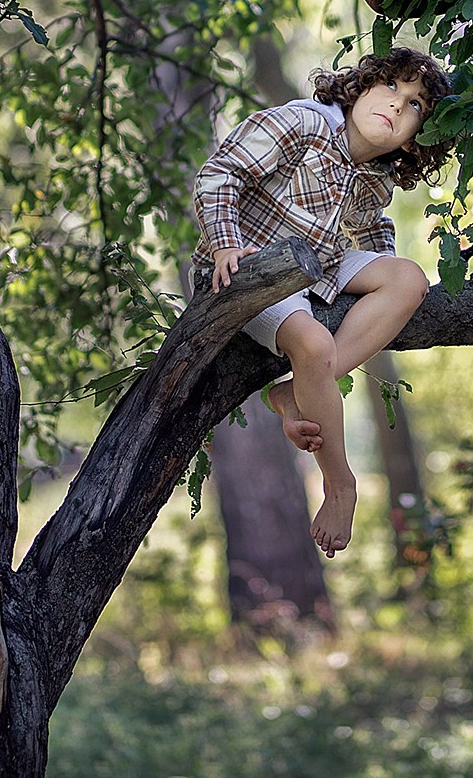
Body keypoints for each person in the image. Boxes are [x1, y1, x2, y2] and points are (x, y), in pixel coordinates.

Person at [193, 48, 455, 556]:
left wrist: (381, 287)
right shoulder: (305, 124)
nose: (398, 107)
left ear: (416, 136)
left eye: (416, 104)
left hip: (315, 270)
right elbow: (218, 174)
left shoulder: (375, 175)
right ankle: (340, 483)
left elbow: (371, 228)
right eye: (391, 88)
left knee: (408, 279)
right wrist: (225, 242)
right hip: (247, 268)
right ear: (360, 87)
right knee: (314, 344)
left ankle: (296, 393)